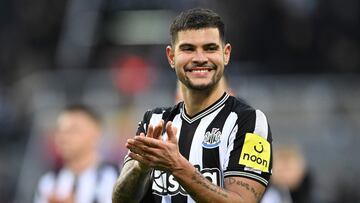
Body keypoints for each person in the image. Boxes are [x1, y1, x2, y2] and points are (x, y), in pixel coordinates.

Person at [112, 8, 273, 203]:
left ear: (226, 54)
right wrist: (140, 168)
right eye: (188, 49)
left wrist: (177, 166)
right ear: (171, 57)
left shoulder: (250, 122)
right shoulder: (154, 120)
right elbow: (121, 200)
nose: (199, 58)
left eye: (210, 48)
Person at [34, 104, 118, 203]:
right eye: (60, 131)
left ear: (96, 133)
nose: (63, 137)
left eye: (73, 130)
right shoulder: (49, 182)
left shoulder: (114, 178)